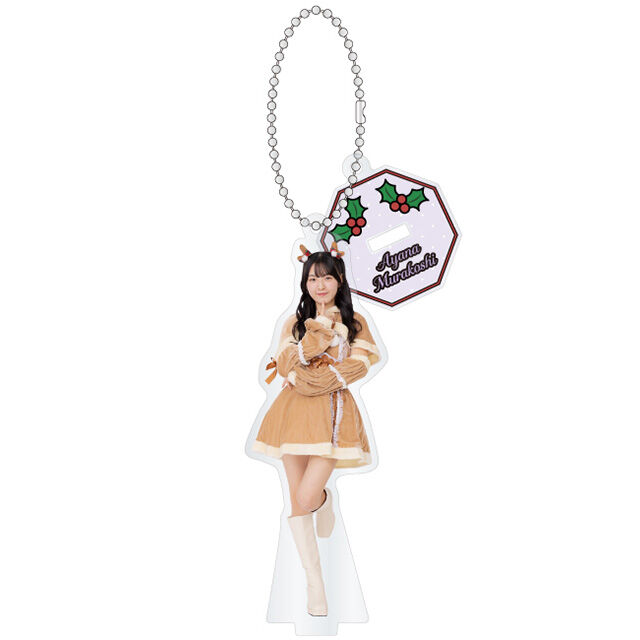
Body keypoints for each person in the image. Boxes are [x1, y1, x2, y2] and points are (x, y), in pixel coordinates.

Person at [252, 242, 381, 617]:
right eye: (312, 278)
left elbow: (359, 366)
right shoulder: (294, 323)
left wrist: (318, 379)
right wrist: (316, 335)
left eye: (326, 277)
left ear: (339, 280)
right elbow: (287, 362)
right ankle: (315, 586)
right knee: (296, 502)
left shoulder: (355, 323)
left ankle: (324, 502)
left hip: (332, 414)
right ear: (304, 283)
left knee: (308, 496)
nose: (319, 285)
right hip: (292, 412)